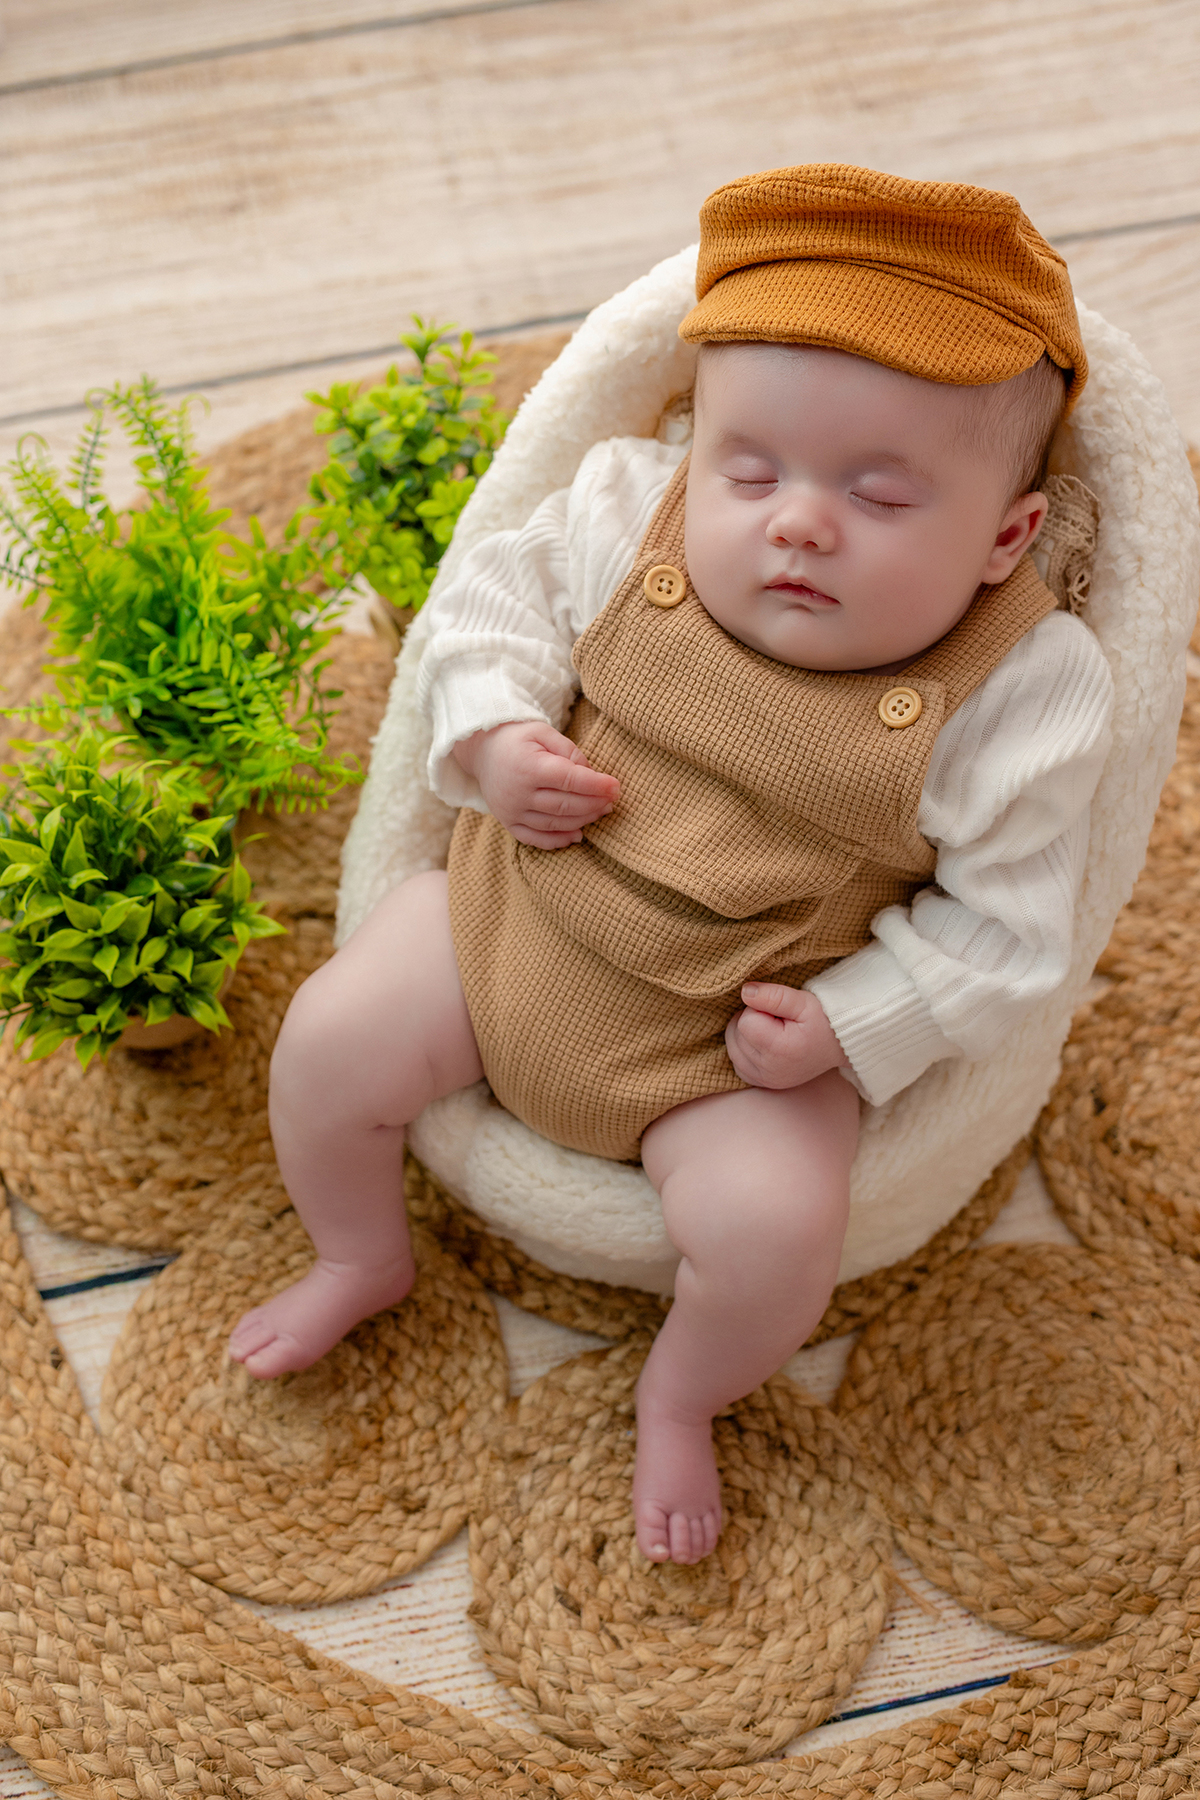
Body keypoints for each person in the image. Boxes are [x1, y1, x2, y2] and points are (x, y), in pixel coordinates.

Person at [229, 166, 1114, 1568]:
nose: (798, 521)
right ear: (697, 446)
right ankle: (358, 1251)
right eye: (750, 472)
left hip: (729, 1051)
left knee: (774, 1237)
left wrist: (850, 1026)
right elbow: (481, 607)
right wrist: (497, 738)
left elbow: (1009, 930)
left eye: (881, 495)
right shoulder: (626, 509)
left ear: (1008, 539)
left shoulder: (1018, 693)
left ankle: (681, 1396)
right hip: (502, 930)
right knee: (327, 1037)